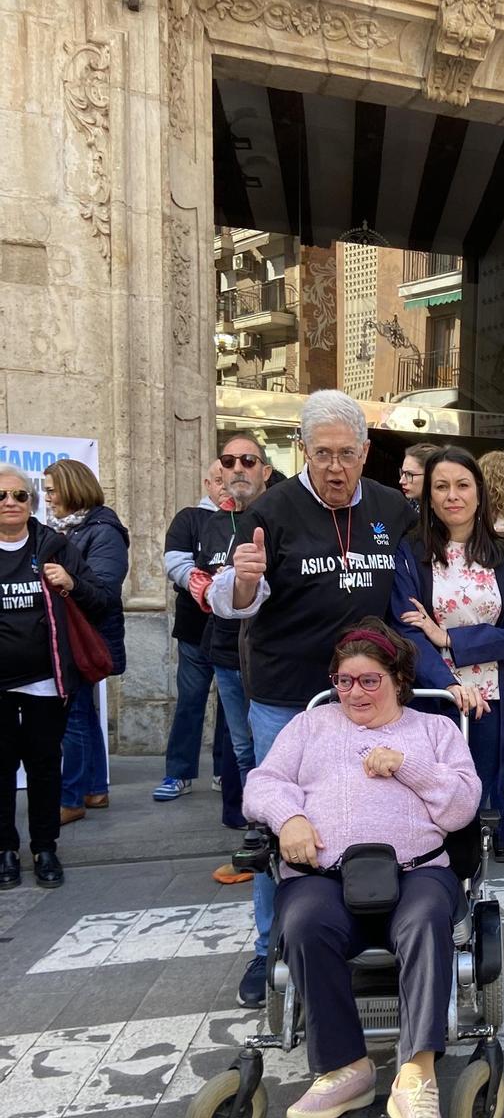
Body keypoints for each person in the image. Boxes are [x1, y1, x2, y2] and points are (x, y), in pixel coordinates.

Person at [241, 619, 480, 1118]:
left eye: (369, 681)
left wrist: (409, 767)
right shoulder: (311, 727)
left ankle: (416, 1077)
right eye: (344, 681)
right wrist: (290, 817)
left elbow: (463, 804)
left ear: (398, 679)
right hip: (327, 877)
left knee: (425, 921)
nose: (354, 693)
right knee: (302, 923)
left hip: (416, 872)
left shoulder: (433, 731)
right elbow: (263, 782)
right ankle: (347, 1068)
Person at [209, 389, 415, 1007]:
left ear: (365, 452)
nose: (334, 466)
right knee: (285, 827)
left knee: (370, 813)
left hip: (372, 701)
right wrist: (243, 583)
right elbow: (233, 598)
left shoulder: (391, 508)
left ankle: (363, 932)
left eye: (346, 454)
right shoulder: (270, 510)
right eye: (322, 453)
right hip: (290, 699)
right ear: (302, 449)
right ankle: (269, 946)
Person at [391, 447, 504, 863]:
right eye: (441, 486)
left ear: (479, 492)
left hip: (494, 696)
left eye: (462, 485)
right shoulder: (410, 553)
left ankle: (485, 862)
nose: (452, 495)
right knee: (438, 796)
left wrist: (451, 639)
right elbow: (407, 631)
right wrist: (449, 683)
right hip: (436, 696)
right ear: (429, 497)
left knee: (487, 790)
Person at [0, 464, 114, 889]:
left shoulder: (52, 545)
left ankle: (44, 847)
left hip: (47, 681)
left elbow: (100, 599)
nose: (10, 503)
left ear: (31, 502)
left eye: (19, 495)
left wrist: (69, 582)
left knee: (45, 766)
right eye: (1, 497)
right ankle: (5, 849)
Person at [189, 434, 273, 880]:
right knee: (241, 749)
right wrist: (203, 584)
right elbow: (198, 574)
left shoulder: (277, 516)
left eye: (248, 460)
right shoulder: (212, 524)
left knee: (269, 750)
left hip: (268, 656)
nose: (237, 467)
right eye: (229, 460)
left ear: (265, 470)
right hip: (224, 651)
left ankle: (275, 835)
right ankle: (255, 834)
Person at [43, 460, 129, 826]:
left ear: (72, 488)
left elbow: (105, 592)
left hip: (85, 638)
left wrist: (69, 580)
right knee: (84, 713)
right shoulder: (65, 530)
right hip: (70, 635)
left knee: (75, 716)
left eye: (51, 489)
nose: (46, 498)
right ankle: (94, 789)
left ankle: (71, 797)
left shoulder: (103, 531)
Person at [156, 459, 226, 802]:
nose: (225, 484)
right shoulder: (189, 518)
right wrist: (211, 588)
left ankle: (224, 773)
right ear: (207, 483)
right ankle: (178, 774)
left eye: (229, 478)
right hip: (195, 631)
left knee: (231, 709)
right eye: (218, 478)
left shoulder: (247, 518)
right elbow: (175, 564)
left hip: (234, 635)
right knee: (190, 702)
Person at [399, 442, 438, 514]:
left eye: (409, 474)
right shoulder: (407, 507)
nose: (401, 481)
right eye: (402, 473)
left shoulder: (446, 514)